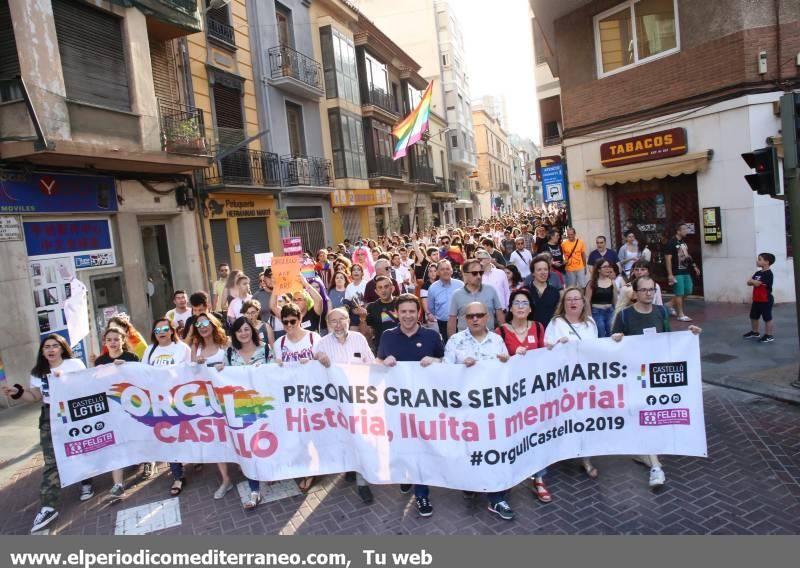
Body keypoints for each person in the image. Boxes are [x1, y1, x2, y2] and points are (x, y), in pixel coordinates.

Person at [611, 276, 702, 489]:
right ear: (635, 293)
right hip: (634, 374)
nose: (648, 294)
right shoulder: (625, 315)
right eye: (643, 290)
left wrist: (689, 336)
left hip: (656, 374)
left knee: (650, 417)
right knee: (644, 417)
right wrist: (615, 339)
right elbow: (613, 344)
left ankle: (648, 457)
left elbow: (668, 338)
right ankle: (655, 466)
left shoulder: (660, 312)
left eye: (651, 289)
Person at [2, 335, 88, 532]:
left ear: (62, 348)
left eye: (54, 346)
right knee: (51, 461)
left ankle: (86, 481)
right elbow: (34, 396)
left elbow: (85, 386)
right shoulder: (38, 372)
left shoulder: (74, 364)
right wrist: (17, 393)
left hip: (74, 412)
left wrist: (65, 382)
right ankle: (48, 506)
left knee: (80, 449)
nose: (50, 349)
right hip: (50, 417)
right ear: (42, 352)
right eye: (46, 347)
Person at [443, 302, 513, 520]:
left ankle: (497, 497)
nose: (474, 319)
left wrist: (508, 363)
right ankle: (471, 483)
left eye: (479, 315)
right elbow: (444, 374)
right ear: (464, 318)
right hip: (467, 411)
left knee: (494, 452)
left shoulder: (498, 340)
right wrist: (459, 367)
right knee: (470, 451)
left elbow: (510, 373)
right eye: (470, 315)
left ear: (487, 317)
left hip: (493, 410)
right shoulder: (455, 341)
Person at [376, 294, 444, 518]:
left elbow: (446, 365)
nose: (407, 316)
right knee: (400, 446)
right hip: (396, 407)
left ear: (419, 313)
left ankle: (422, 493)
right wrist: (382, 364)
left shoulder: (432, 336)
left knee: (421, 449)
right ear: (397, 313)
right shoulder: (387, 336)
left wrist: (435, 362)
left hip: (425, 405)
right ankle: (406, 476)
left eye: (412, 311)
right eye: (403, 311)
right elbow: (377, 363)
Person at [494, 289, 551, 506]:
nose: (520, 306)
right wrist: (508, 357)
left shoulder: (538, 327)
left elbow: (545, 353)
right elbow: (496, 360)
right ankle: (508, 479)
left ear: (529, 308)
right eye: (516, 302)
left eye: (524, 303)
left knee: (535, 436)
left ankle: (539, 478)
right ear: (510, 307)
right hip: (510, 394)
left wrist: (554, 348)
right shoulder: (499, 331)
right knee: (510, 436)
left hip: (534, 393)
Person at [314, 308, 377, 504]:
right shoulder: (321, 344)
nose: (338, 324)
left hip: (359, 400)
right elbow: (310, 370)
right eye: (333, 321)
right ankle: (350, 466)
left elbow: (370, 363)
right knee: (343, 437)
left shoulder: (359, 339)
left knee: (359, 438)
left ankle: (362, 482)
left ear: (349, 320)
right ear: (327, 324)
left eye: (342, 319)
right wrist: (317, 358)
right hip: (335, 403)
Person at [544, 287, 600, 480]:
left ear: (583, 302)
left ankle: (586, 457)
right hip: (564, 381)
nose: (573, 302)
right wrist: (558, 343)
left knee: (585, 418)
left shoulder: (590, 323)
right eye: (569, 299)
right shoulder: (556, 323)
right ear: (563, 303)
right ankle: (561, 451)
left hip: (586, 381)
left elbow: (598, 349)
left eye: (577, 299)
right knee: (565, 418)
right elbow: (547, 348)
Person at [214, 316, 269, 510]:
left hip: (265, 407)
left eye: (246, 329)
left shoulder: (266, 349)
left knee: (266, 444)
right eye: (239, 331)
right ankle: (254, 489)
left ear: (251, 330)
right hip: (241, 409)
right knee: (248, 448)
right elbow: (223, 378)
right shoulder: (229, 353)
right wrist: (220, 370)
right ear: (235, 334)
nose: (243, 333)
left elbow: (276, 374)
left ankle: (267, 475)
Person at [275, 302, 323, 492]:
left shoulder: (314, 338)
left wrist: (312, 362)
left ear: (300, 319)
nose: (289, 326)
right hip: (291, 395)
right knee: (297, 431)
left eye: (292, 321)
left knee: (313, 430)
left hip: (312, 393)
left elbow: (324, 362)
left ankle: (315, 467)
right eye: (285, 322)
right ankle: (305, 466)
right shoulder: (280, 343)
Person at [186, 314, 232, 499]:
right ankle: (226, 479)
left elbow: (235, 365)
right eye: (198, 324)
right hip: (208, 401)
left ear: (213, 325)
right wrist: (194, 364)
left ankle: (249, 469)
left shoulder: (225, 343)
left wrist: (225, 366)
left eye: (206, 323)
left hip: (228, 398)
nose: (203, 326)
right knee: (218, 438)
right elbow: (189, 375)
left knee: (236, 434)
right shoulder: (195, 348)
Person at [95, 327, 140, 499]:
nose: (113, 342)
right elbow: (96, 383)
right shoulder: (100, 361)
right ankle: (118, 484)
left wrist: (126, 368)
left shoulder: (131, 357)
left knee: (134, 437)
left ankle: (146, 460)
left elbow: (141, 378)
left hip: (133, 405)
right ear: (105, 343)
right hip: (112, 407)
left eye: (116, 339)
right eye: (109, 340)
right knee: (116, 443)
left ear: (123, 340)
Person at [448, 259, 505, 337]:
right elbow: (452, 321)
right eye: (474, 273)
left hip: (488, 340)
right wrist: (452, 342)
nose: (478, 276)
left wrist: (504, 337)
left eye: (481, 273)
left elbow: (500, 316)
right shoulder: (457, 295)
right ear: (465, 274)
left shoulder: (491, 290)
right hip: (465, 342)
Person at [665, 223, 701, 322]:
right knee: (679, 293)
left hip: (686, 270)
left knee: (688, 290)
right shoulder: (671, 243)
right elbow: (668, 259)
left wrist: (694, 266)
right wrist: (670, 274)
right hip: (677, 271)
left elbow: (687, 255)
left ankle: (670, 305)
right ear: (678, 231)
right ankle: (680, 314)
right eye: (684, 229)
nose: (686, 231)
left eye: (687, 229)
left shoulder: (683, 243)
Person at [425, 260, 464, 342]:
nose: (445, 271)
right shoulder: (433, 288)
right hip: (443, 323)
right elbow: (432, 308)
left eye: (447, 268)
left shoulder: (460, 285)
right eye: (442, 269)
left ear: (451, 270)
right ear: (438, 272)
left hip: (460, 322)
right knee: (448, 346)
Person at [743, 252, 776, 343]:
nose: (757, 261)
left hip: (766, 299)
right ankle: (755, 332)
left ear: (767, 262)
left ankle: (769, 335)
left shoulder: (768, 274)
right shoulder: (758, 273)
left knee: (767, 318)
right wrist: (752, 281)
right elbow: (749, 283)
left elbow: (757, 283)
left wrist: (752, 281)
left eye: (760, 259)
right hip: (757, 299)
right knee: (753, 316)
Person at [362, 276, 399, 353]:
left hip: (401, 346)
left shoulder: (401, 303)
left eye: (386, 286)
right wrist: (362, 317)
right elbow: (366, 333)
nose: (383, 290)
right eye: (380, 287)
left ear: (392, 288)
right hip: (381, 349)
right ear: (376, 291)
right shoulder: (371, 307)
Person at [585, 258, 618, 338]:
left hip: (610, 312)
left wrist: (616, 313)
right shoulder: (592, 283)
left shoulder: (612, 282)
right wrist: (589, 317)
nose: (608, 269)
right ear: (599, 269)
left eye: (609, 266)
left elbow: (615, 300)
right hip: (597, 312)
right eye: (605, 267)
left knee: (611, 334)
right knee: (601, 334)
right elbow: (587, 300)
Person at [527, 255, 561, 328]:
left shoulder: (554, 292)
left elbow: (558, 315)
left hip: (550, 332)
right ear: (533, 273)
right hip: (530, 332)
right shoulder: (525, 291)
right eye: (539, 270)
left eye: (545, 269)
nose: (543, 272)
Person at [344, 263, 368, 331]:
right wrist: (352, 310)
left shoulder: (367, 284)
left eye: (358, 270)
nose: (356, 271)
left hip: (366, 314)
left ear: (362, 273)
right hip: (354, 315)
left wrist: (364, 310)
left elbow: (370, 300)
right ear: (351, 273)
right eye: (354, 270)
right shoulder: (349, 286)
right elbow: (347, 302)